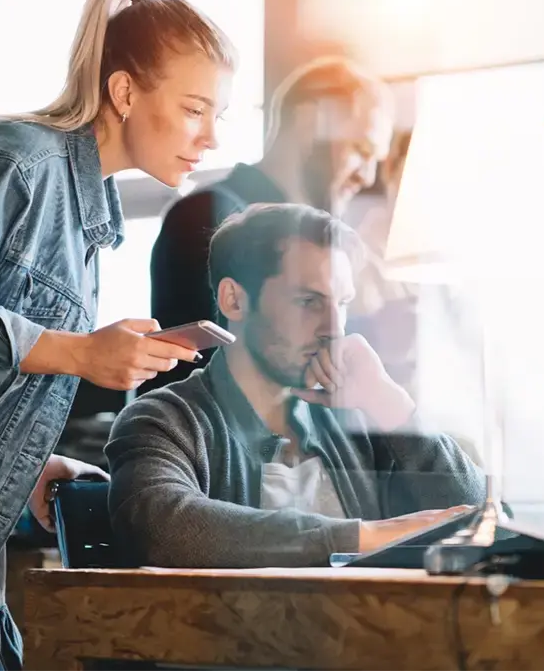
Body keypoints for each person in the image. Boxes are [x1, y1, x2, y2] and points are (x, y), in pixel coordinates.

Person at [0, 0, 235, 671]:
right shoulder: (14, 164)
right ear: (125, 91)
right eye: (195, 108)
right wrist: (79, 353)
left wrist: (29, 465)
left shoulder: (89, 222)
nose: (210, 135)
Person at [107, 204, 485, 569]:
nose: (334, 328)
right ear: (234, 300)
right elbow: (160, 528)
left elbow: (477, 521)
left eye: (343, 303)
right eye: (308, 301)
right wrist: (358, 537)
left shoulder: (362, 416)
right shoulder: (164, 419)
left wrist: (391, 404)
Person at [147, 56, 394, 387]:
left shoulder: (327, 246)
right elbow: (233, 374)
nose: (367, 176)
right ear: (310, 120)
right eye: (360, 149)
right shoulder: (208, 215)